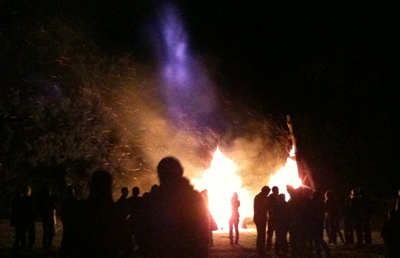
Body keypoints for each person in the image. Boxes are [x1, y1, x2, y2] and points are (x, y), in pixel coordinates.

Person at [147, 157, 210, 258]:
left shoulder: (154, 199)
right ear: (181, 172)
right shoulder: (194, 197)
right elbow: (203, 233)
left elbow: (146, 236)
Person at [60, 185, 81, 257]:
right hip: (72, 221)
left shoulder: (65, 201)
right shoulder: (75, 201)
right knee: (71, 236)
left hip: (68, 221)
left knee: (67, 235)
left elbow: (63, 212)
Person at [311, 191, 332, 258]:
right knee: (319, 239)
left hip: (316, 223)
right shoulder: (321, 203)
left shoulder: (315, 204)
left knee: (317, 239)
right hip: (319, 223)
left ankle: (320, 254)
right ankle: (325, 253)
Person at [253, 186, 270, 255]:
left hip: (259, 218)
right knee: (261, 234)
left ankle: (260, 249)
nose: (268, 194)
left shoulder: (258, 197)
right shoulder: (261, 198)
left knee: (261, 234)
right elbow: (265, 206)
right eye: (267, 192)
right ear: (265, 191)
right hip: (260, 218)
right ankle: (260, 250)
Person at [275, 193, 288, 258]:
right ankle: (284, 251)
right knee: (283, 237)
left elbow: (275, 214)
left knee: (278, 237)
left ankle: (278, 251)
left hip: (279, 223)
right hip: (285, 224)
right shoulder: (287, 204)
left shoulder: (277, 205)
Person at [266, 186, 279, 252]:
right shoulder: (271, 198)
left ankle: (276, 248)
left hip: (275, 219)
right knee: (270, 234)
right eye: (276, 190)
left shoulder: (277, 198)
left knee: (276, 234)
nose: (277, 192)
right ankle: (269, 247)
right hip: (272, 218)